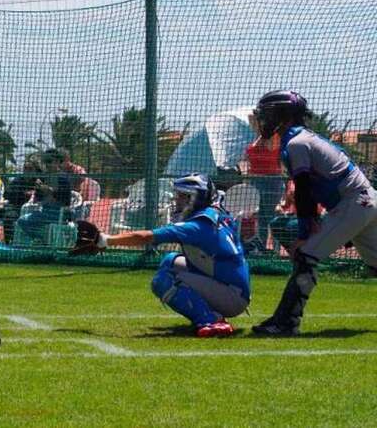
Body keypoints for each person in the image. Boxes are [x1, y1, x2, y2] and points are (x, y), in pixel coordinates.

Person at [249, 90, 377, 335]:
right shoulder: (303, 138)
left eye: (268, 114)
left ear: (283, 116)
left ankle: (286, 322)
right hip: (363, 201)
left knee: (306, 256)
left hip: (354, 203)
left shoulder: (297, 143)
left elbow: (304, 188)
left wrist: (306, 232)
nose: (263, 120)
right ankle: (284, 321)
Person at [71, 173, 251, 337]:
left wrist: (106, 240)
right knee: (170, 261)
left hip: (231, 295)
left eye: (182, 196)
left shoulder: (198, 226)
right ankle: (212, 315)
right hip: (232, 286)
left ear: (195, 199)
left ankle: (210, 320)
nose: (176, 200)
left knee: (163, 281)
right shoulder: (216, 214)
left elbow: (146, 237)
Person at [242, 115, 285, 252]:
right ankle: (262, 250)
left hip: (271, 181)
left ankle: (276, 251)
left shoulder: (274, 138)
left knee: (270, 216)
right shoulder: (255, 141)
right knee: (260, 218)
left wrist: (264, 121)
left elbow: (270, 145)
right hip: (256, 181)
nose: (256, 126)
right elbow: (251, 118)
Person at [15, 148, 72, 243]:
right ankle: (41, 239)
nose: (47, 164)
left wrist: (49, 190)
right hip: (44, 212)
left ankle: (44, 240)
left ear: (57, 162)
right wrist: (38, 188)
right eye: (45, 162)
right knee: (22, 221)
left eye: (49, 161)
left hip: (59, 213)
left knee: (26, 221)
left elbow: (66, 200)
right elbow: (38, 198)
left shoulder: (63, 178)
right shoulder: (44, 177)